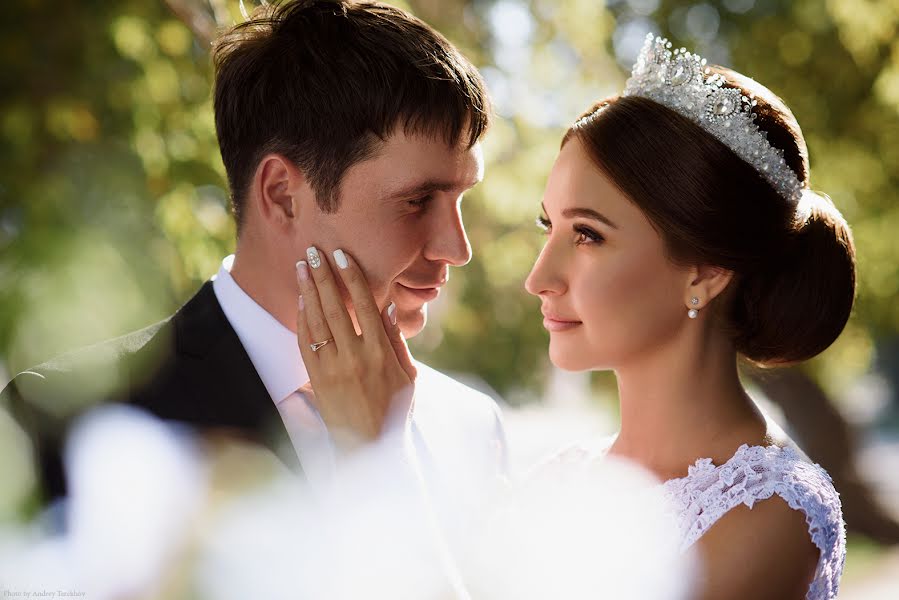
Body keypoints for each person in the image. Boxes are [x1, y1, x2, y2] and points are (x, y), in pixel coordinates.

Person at [300, 34, 850, 599]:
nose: (539, 278)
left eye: (587, 235)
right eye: (549, 227)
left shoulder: (770, 516)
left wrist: (379, 460)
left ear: (705, 272)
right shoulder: (557, 481)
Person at [1, 0, 505, 511]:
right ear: (283, 195)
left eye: (462, 199)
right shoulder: (63, 422)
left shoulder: (474, 428)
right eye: (418, 201)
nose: (458, 249)